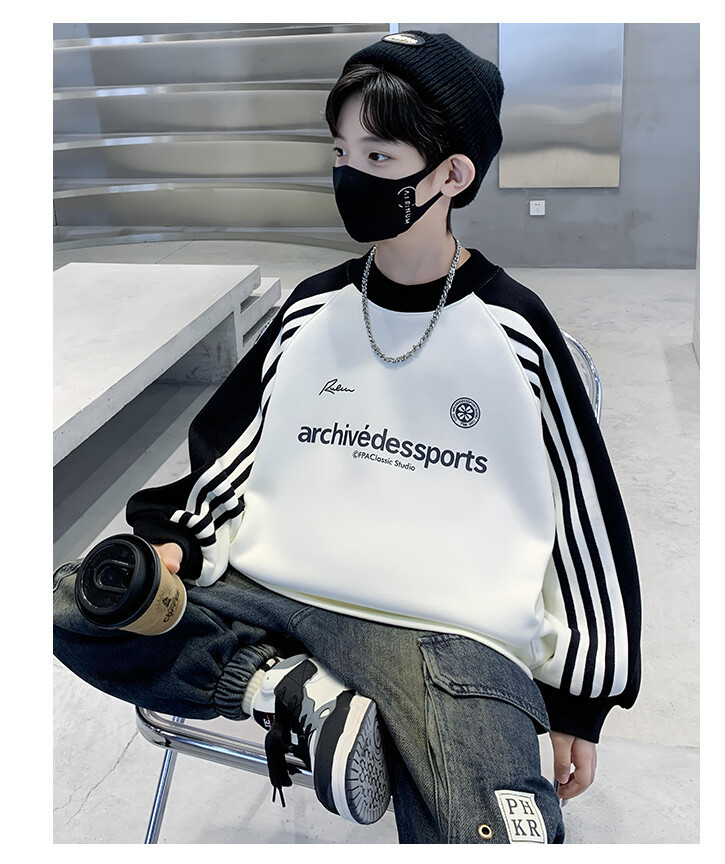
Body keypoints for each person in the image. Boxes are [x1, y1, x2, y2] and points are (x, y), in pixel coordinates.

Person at [53, 30, 641, 844]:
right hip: (273, 595)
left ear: (452, 175)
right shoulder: (311, 307)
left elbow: (584, 521)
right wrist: (179, 542)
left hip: (447, 632)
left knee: (495, 834)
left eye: (378, 155)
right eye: (340, 150)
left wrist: (581, 699)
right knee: (77, 602)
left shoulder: (515, 329)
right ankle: (282, 692)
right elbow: (232, 449)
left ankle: (305, 702)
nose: (349, 174)